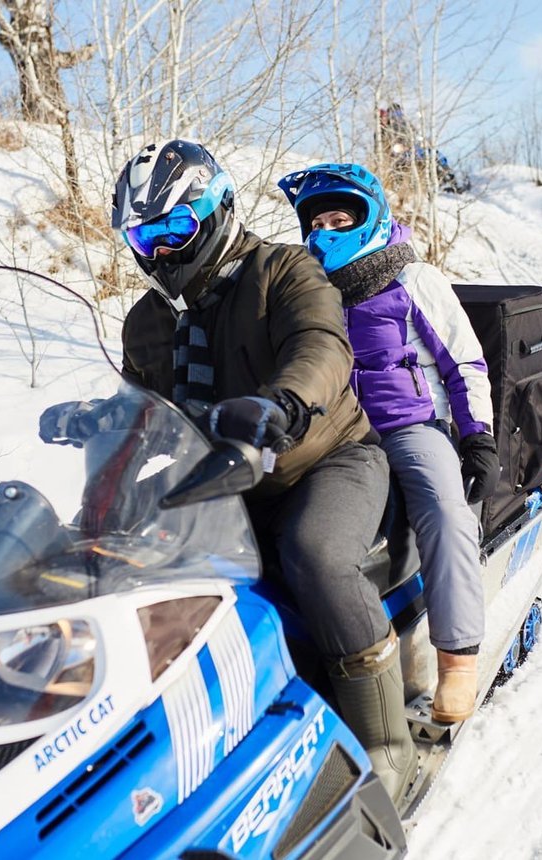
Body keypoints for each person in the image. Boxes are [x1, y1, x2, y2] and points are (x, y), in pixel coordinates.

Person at [98, 140, 417, 801]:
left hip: (325, 458)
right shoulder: (147, 322)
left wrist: (282, 402)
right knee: (128, 558)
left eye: (173, 228)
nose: (158, 251)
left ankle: (385, 746)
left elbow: (320, 347)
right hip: (225, 475)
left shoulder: (285, 271)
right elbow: (139, 411)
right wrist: (96, 424)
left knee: (314, 553)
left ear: (215, 212)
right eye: (142, 234)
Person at [278, 162, 501, 724]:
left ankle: (457, 660)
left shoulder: (412, 279)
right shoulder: (309, 291)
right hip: (337, 438)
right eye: (317, 222)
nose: (326, 231)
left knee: (445, 513)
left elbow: (464, 361)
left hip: (408, 428)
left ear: (367, 218)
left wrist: (478, 437)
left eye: (339, 218)